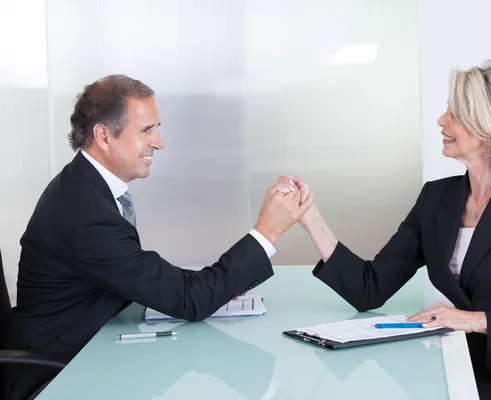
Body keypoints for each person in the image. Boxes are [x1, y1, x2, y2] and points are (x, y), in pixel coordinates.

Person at [2, 74, 314, 400]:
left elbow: (142, 273)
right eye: (146, 130)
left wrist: (221, 286)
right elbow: (187, 300)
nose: (159, 142)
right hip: (60, 374)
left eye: (157, 128)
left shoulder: (86, 186)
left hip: (94, 349)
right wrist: (268, 231)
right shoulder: (85, 214)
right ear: (104, 135)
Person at [296, 61, 491, 399]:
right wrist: (310, 218)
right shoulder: (437, 198)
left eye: (455, 112)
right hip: (450, 362)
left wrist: (474, 320)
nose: (441, 120)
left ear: (490, 125)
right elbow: (370, 289)